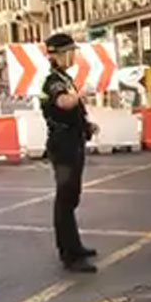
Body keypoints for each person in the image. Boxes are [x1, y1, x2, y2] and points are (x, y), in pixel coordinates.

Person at [40, 33, 99, 273]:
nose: (74, 55)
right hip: (63, 146)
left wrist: (87, 126)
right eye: (71, 51)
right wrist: (82, 93)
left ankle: (74, 246)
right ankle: (69, 255)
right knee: (65, 199)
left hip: (73, 142)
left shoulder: (65, 78)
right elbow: (64, 103)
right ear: (60, 54)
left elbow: (74, 111)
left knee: (72, 196)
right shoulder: (53, 81)